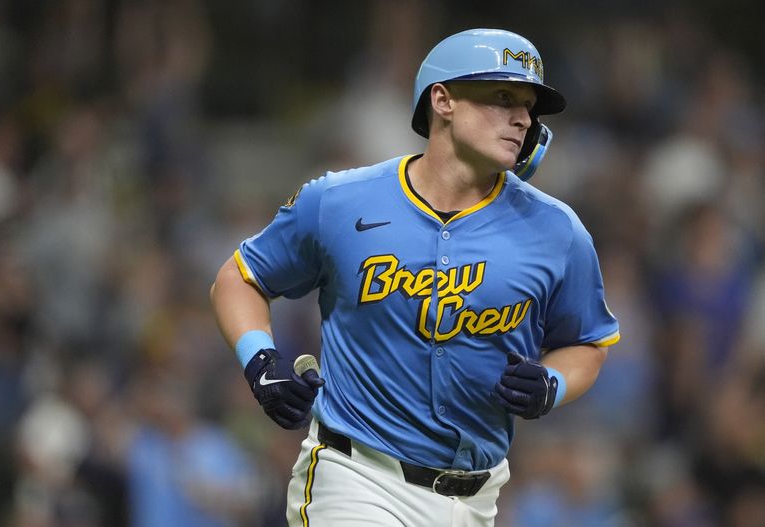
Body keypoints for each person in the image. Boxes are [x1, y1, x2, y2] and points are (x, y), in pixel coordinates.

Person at [211, 28, 620, 527]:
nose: (522, 118)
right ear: (442, 100)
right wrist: (261, 362)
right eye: (502, 97)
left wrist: (552, 382)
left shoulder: (557, 230)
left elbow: (588, 342)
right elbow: (240, 278)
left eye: (529, 106)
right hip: (355, 477)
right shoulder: (341, 201)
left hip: (476, 498)